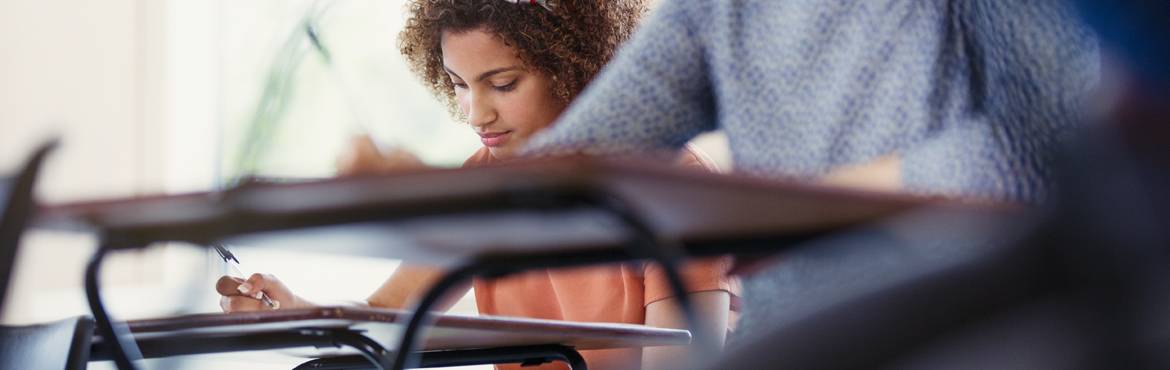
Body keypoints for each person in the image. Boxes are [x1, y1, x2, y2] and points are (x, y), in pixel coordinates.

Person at [518, 0, 1099, 343]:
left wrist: (816, 206)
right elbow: (583, 155)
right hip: (801, 318)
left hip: (979, 306)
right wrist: (450, 180)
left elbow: (1055, 137)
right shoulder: (716, 10)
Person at [216, 1, 738, 369]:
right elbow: (393, 312)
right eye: (459, 85)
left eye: (503, 84)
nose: (476, 113)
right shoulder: (484, 179)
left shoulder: (676, 189)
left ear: (573, 66)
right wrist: (300, 316)